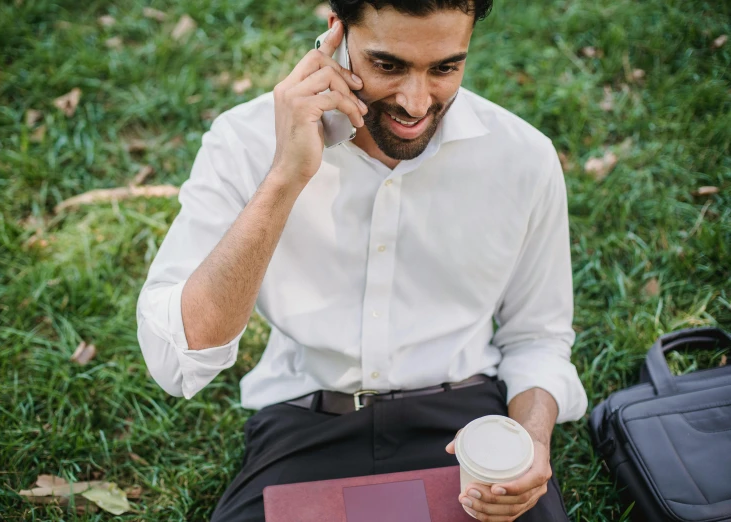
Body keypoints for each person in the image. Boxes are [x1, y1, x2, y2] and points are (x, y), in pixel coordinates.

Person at [136, 0, 589, 520]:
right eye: (388, 65)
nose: (417, 103)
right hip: (305, 426)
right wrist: (285, 175)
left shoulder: (522, 158)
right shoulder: (244, 143)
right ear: (336, 35)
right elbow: (177, 362)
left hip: (464, 425)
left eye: (445, 67)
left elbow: (538, 337)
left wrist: (529, 444)